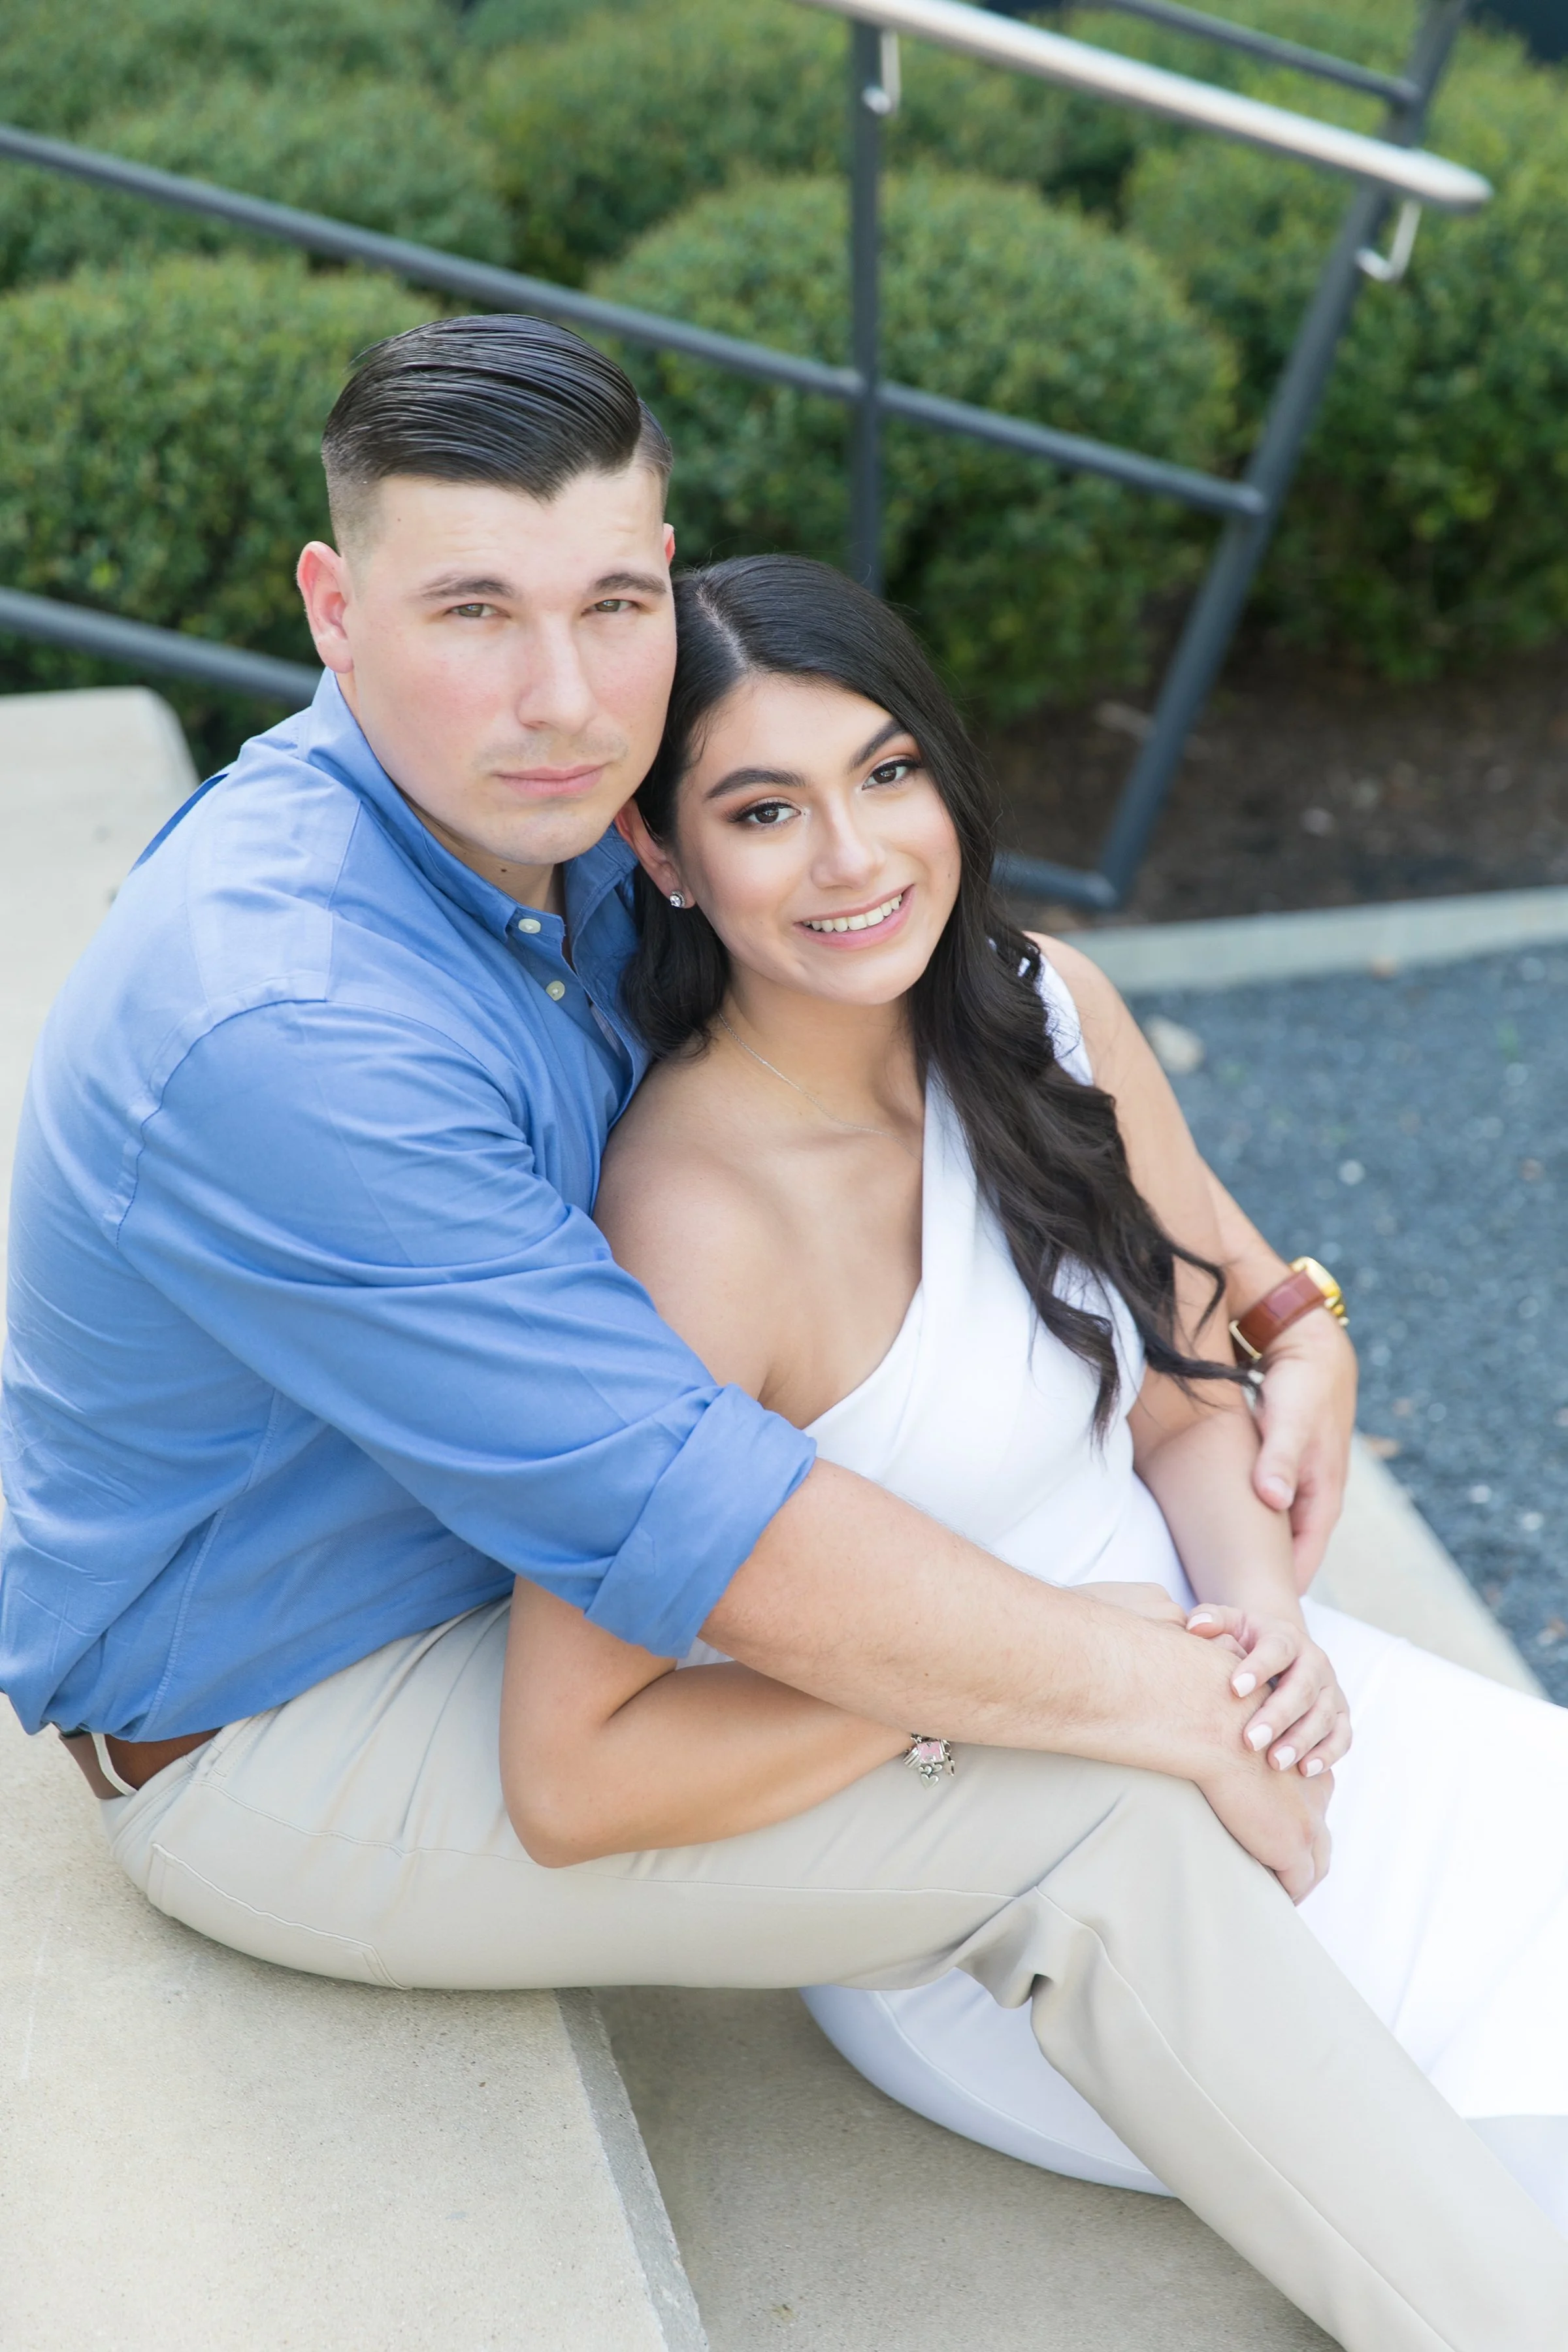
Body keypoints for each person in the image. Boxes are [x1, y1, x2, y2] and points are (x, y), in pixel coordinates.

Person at [0, 314, 1561, 2351]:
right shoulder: (299, 1022)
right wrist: (1156, 1682)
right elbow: (712, 1534)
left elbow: (987, 1040)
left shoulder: (564, 834)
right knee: (1099, 1814)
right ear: (334, 606)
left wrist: (1278, 1310)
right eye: (474, 607)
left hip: (514, 1557)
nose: (564, 697)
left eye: (614, 602)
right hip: (292, 1706)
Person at [527, 547, 1568, 2243]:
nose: (857, 858)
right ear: (663, 853)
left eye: (888, 772)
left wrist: (1258, 1629)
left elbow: (1175, 1401)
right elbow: (586, 1774)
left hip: (1232, 1694)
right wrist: (1069, 1678)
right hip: (1010, 1880)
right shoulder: (696, 1229)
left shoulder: (1043, 1006)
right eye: (766, 811)